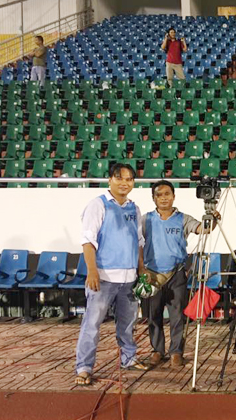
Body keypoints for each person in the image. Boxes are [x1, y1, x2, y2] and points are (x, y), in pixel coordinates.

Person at [75, 163, 148, 386]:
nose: (124, 183)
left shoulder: (134, 208)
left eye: (129, 179)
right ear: (110, 180)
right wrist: (92, 272)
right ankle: (84, 367)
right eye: (119, 178)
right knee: (92, 324)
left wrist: (141, 269)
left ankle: (129, 358)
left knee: (127, 324)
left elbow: (138, 242)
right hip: (103, 278)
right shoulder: (98, 205)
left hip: (129, 279)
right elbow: (88, 242)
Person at [143, 180, 220, 368]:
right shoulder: (145, 220)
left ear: (173, 196)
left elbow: (203, 229)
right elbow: (135, 240)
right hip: (152, 275)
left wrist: (214, 219)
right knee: (153, 315)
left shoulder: (183, 219)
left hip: (176, 274)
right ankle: (157, 350)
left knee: (177, 316)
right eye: (159, 195)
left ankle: (176, 352)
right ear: (153, 198)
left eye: (167, 194)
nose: (163, 198)